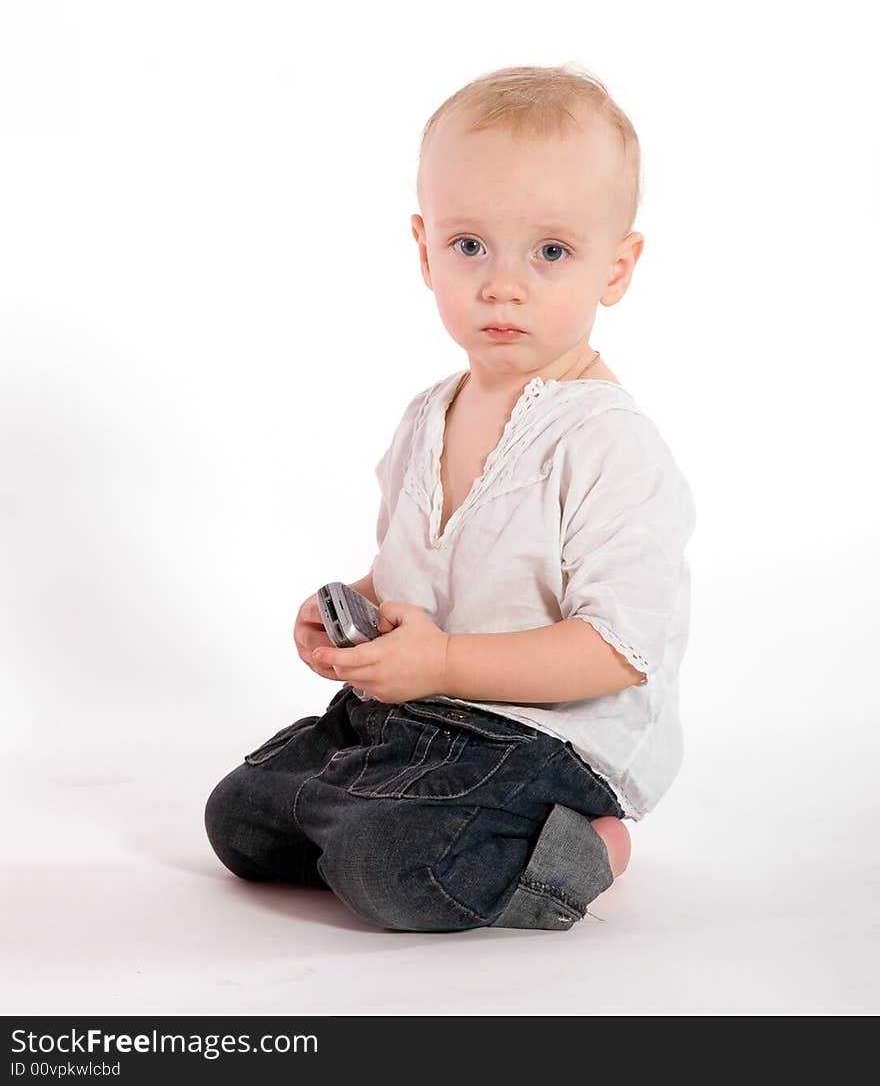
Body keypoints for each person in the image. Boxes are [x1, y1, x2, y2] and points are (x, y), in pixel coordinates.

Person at [204, 63, 697, 933]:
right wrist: (355, 609)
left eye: (550, 251)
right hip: (419, 714)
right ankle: (368, 808)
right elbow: (415, 568)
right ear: (424, 247)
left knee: (394, 866)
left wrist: (443, 667)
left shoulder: (609, 444)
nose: (502, 284)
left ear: (616, 267)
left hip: (543, 741)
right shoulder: (429, 414)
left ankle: (586, 845)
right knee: (239, 817)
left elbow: (619, 649)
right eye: (470, 246)